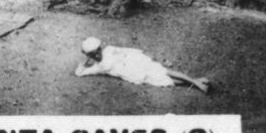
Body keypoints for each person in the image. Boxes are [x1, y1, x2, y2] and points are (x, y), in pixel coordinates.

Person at [75, 38, 211, 93]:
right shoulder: (103, 59)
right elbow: (80, 73)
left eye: (96, 52)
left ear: (99, 48)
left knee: (165, 73)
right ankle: (196, 82)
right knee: (165, 79)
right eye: (93, 54)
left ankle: (197, 83)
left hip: (136, 65)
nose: (96, 55)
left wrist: (86, 61)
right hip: (135, 68)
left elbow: (126, 50)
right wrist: (87, 61)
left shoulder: (105, 57)